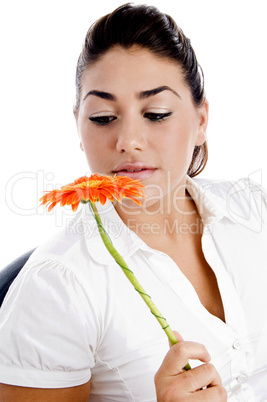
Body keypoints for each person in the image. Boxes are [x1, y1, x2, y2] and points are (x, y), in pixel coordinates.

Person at [0, 3, 266, 401]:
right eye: (104, 117)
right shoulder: (57, 286)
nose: (127, 141)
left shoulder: (255, 209)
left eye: (156, 113)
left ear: (201, 121)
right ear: (78, 125)